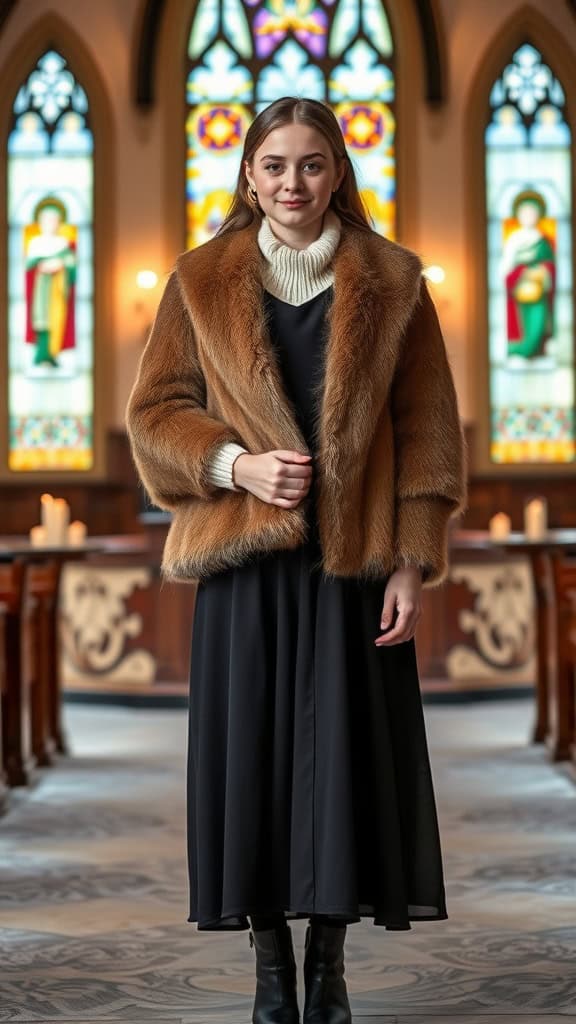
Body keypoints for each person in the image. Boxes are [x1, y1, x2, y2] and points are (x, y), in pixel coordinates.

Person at [126, 96, 466, 1024]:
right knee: (255, 767)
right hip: (245, 568)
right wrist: (236, 464)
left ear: (338, 174)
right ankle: (270, 970)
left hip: (353, 569)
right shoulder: (198, 281)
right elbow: (153, 417)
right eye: (275, 165)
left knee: (343, 765)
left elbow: (428, 434)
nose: (293, 183)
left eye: (312, 164)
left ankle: (329, 969)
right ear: (248, 175)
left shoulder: (395, 281)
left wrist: (412, 560)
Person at [503, 190, 556, 359]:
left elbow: (551, 265)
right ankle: (519, 349)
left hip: (539, 293)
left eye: (532, 212)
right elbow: (506, 268)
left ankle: (538, 349)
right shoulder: (513, 239)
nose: (529, 216)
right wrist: (521, 272)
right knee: (520, 327)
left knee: (537, 325)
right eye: (525, 212)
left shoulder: (544, 240)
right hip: (519, 293)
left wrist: (543, 271)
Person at [25, 197, 76, 368]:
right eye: (46, 220)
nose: (50, 224)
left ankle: (53, 353)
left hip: (57, 290)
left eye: (54, 220)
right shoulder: (35, 243)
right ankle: (41, 354)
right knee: (41, 319)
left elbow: (71, 264)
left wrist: (61, 265)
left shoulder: (62, 243)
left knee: (56, 320)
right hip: (41, 288)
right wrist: (42, 264)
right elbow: (29, 265)